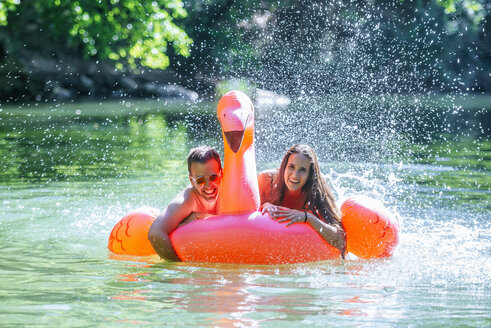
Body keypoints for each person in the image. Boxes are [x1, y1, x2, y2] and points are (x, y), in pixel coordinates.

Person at [258, 144, 347, 257]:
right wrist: (265, 204)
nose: (295, 176)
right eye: (291, 167)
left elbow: (340, 242)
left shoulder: (317, 192)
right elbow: (245, 217)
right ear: (284, 166)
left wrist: (307, 217)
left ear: (309, 175)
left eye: (302, 170)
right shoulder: (267, 180)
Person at [148, 146, 222, 261]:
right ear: (191, 180)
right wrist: (177, 265)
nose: (208, 185)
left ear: (221, 173)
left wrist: (262, 201)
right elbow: (155, 233)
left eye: (213, 177)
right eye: (201, 180)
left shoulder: (231, 185)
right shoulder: (187, 201)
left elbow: (260, 179)